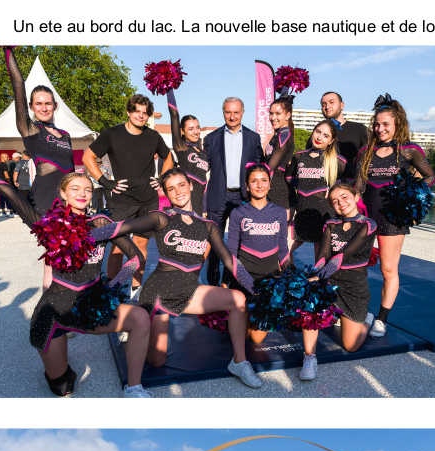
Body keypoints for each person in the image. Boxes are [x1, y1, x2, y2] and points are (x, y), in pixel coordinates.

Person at [0, 170, 154, 397]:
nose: (82, 194)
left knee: (140, 317)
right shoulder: (49, 225)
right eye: (75, 188)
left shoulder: (101, 223)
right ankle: (60, 371)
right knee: (62, 387)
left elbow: (136, 258)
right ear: (63, 193)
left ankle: (134, 389)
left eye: (88, 189)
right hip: (55, 310)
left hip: (91, 307)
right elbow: (14, 197)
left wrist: (111, 289)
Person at [89, 168, 263, 389]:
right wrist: (81, 234)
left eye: (181, 185)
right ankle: (136, 323)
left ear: (191, 185)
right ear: (166, 195)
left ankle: (239, 361)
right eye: (171, 189)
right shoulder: (161, 218)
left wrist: (256, 288)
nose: (178, 191)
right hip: (158, 294)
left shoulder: (208, 226)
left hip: (189, 290)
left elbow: (230, 261)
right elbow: (122, 228)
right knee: (157, 360)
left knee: (238, 298)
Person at [352, 94, 435, 339]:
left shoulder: (410, 151)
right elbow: (358, 187)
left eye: (386, 124)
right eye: (377, 125)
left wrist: (413, 193)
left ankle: (381, 319)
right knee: (357, 268)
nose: (380, 129)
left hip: (393, 218)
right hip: (365, 217)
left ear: (398, 124)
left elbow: (429, 176)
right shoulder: (365, 152)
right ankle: (358, 312)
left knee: (389, 270)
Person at [83, 94, 173, 287]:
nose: (140, 116)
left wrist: (162, 180)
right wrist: (106, 182)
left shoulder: (153, 136)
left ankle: (135, 288)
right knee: (117, 249)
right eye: (136, 111)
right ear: (128, 112)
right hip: (122, 201)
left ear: (148, 115)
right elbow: (87, 156)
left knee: (141, 247)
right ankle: (112, 291)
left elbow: (169, 157)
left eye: (144, 112)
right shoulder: (112, 134)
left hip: (148, 201)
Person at [299, 184, 378, 378]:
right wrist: (315, 274)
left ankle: (367, 321)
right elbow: (324, 255)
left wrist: (320, 275)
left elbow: (343, 255)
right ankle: (309, 358)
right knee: (310, 296)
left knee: (351, 346)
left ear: (356, 196)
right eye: (335, 201)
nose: (341, 203)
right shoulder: (330, 225)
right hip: (331, 283)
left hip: (354, 289)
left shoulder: (368, 224)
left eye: (344, 197)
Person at [220, 164, 290, 344]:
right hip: (243, 275)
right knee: (240, 336)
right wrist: (226, 280)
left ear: (270, 184)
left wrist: (288, 275)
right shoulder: (237, 213)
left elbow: (283, 248)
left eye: (263, 180)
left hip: (268, 277)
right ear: (247, 185)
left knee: (257, 338)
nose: (259, 185)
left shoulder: (280, 212)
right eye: (254, 181)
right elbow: (232, 250)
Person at [2, 47, 73, 216]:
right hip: (44, 201)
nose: (43, 108)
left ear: (55, 106)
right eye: (38, 104)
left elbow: (70, 173)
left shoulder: (66, 135)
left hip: (68, 200)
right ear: (31, 107)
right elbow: (18, 82)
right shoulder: (31, 129)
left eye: (48, 103)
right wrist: (7, 48)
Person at [204, 96, 263, 286]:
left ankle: (230, 280)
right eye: (228, 112)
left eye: (236, 112)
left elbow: (259, 168)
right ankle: (212, 283)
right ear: (223, 113)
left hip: (242, 197)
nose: (232, 116)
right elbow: (202, 168)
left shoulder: (253, 138)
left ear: (242, 113)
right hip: (217, 198)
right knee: (214, 243)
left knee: (240, 243)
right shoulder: (211, 138)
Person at [291, 120, 346, 260]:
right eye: (318, 132)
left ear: (331, 140)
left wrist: (335, 190)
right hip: (302, 214)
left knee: (320, 262)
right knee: (282, 251)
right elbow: (288, 177)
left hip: (325, 215)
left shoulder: (337, 160)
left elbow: (352, 180)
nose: (319, 137)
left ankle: (319, 282)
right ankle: (291, 280)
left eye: (326, 136)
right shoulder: (299, 156)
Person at [166, 89, 209, 215]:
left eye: (197, 127)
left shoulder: (203, 152)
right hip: (185, 201)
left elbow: (203, 181)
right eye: (190, 129)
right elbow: (174, 115)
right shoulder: (181, 147)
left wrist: (204, 209)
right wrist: (169, 87)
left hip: (201, 203)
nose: (195, 132)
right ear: (182, 131)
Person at [262, 94, 297, 238]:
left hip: (281, 194)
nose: (273, 117)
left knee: (280, 243)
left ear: (287, 115)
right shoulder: (279, 135)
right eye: (271, 113)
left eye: (278, 113)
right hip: (275, 191)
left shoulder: (285, 135)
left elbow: (269, 168)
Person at [320, 90, 369, 172]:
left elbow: (373, 156)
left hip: (351, 182)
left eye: (331, 102)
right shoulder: (318, 134)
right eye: (323, 104)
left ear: (342, 105)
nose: (327, 107)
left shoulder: (360, 129)